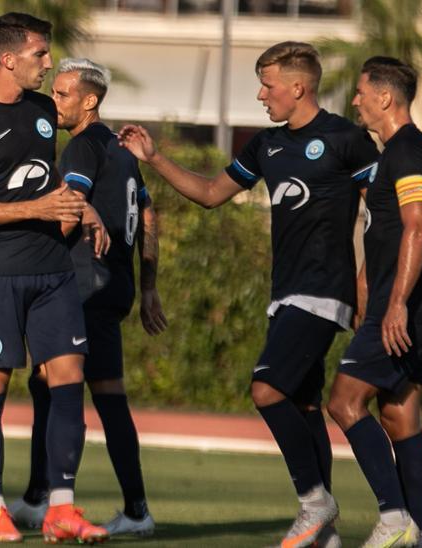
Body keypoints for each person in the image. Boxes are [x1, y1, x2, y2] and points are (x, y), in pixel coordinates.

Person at [119, 41, 380, 548]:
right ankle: (324, 530)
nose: (261, 95)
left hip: (324, 292)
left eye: (268, 84)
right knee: (304, 407)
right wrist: (153, 158)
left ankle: (314, 502)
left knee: (266, 389)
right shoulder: (267, 145)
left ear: (298, 87)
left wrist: (366, 280)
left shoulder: (348, 139)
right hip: (285, 294)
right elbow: (211, 194)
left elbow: (382, 216)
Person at [0, 12, 108, 545]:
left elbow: (51, 177)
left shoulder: (44, 111)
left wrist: (85, 208)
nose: (48, 63)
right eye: (40, 54)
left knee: (67, 381)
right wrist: (36, 209)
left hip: (53, 272)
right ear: (8, 58)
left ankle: (61, 507)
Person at [9, 58, 166, 538]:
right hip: (114, 284)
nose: (54, 102)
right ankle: (49, 496)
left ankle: (59, 500)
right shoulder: (123, 151)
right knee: (65, 387)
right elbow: (150, 216)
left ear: (89, 101)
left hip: (81, 282)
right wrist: (149, 285)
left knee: (64, 388)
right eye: (53, 92)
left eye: (62, 95)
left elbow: (68, 210)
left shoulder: (81, 147)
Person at [328, 55, 422, 548]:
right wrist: (366, 290)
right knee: (399, 416)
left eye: (360, 92)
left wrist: (395, 303)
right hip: (410, 303)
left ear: (384, 97)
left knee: (343, 400)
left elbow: (419, 226)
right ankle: (416, 534)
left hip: (405, 308)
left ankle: (395, 517)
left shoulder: (408, 152)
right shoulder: (403, 154)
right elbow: (390, 233)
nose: (355, 100)